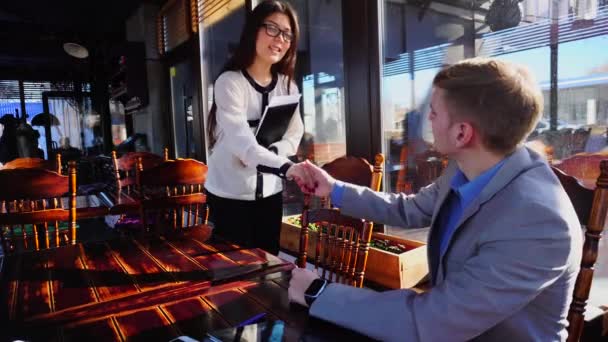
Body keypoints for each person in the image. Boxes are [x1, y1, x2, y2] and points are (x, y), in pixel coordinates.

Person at [287, 58, 583, 341]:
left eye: (434, 112)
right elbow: (410, 208)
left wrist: (318, 292)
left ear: (462, 133)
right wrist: (334, 189)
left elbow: (431, 323)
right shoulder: (469, 166)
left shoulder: (539, 223)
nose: (427, 118)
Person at [204, 0, 309, 255]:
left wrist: (274, 149)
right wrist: (288, 167)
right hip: (229, 195)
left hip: (270, 194)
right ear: (253, 30)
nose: (279, 39)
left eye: (287, 34)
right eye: (271, 28)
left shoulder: (287, 86)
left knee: (268, 265)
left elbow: (295, 135)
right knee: (230, 271)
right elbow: (244, 145)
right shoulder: (230, 82)